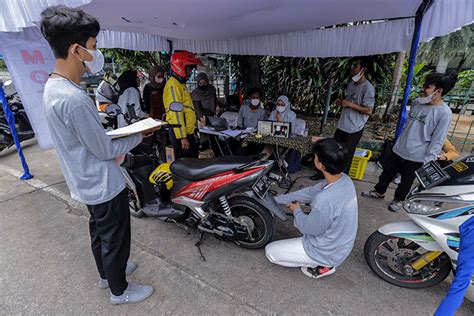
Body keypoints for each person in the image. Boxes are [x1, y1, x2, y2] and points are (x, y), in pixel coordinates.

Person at [40, 5, 154, 305]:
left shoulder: (54, 87)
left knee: (99, 231)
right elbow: (104, 149)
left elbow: (91, 140)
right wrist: (139, 134)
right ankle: (120, 290)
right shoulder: (73, 98)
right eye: (93, 46)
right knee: (115, 236)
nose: (97, 52)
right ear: (76, 49)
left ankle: (107, 274)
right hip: (102, 182)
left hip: (84, 180)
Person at [362, 71, 457, 212]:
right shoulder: (417, 103)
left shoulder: (444, 113)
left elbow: (438, 140)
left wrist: (428, 160)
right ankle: (379, 192)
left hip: (417, 154)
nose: (423, 89)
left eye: (428, 86)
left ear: (439, 91)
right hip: (399, 148)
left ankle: (398, 200)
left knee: (406, 180)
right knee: (387, 173)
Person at [265, 138, 358, 279]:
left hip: (327, 251)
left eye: (315, 156)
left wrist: (296, 210)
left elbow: (309, 228)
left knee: (271, 252)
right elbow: (309, 193)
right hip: (340, 244)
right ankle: (320, 260)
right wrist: (276, 200)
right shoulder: (344, 180)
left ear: (320, 164)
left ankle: (322, 264)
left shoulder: (325, 200)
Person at [163, 50, 202, 159]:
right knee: (185, 165)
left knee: (192, 163)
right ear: (180, 67)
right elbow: (175, 114)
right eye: (189, 69)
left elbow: (187, 109)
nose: (190, 73)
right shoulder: (173, 86)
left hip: (186, 133)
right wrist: (182, 137)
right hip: (180, 134)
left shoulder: (180, 84)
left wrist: (192, 131)